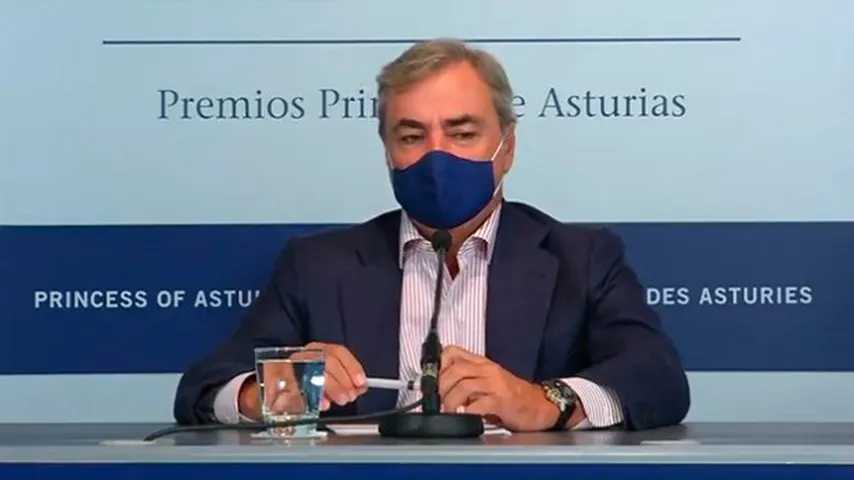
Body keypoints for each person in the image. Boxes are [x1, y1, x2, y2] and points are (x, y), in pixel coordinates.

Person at [174, 39, 689, 431]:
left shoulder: (582, 257)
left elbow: (657, 378)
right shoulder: (317, 264)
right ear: (387, 151)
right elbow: (203, 388)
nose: (436, 157)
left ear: (507, 147)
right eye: (412, 135)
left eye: (463, 134)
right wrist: (275, 390)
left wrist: (542, 402)